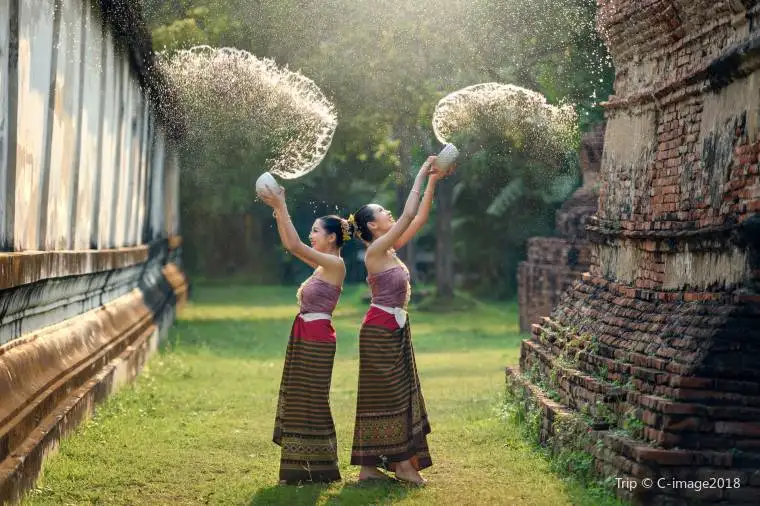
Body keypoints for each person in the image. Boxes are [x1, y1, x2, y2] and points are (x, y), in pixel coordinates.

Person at [348, 155, 451, 485]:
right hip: (380, 331)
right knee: (390, 397)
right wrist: (421, 169)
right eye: (382, 212)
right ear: (373, 227)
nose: (389, 213)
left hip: (392, 330)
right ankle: (404, 467)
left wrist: (434, 179)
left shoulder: (389, 249)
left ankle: (369, 469)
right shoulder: (375, 250)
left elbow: (418, 219)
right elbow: (407, 213)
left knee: (388, 396)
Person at [257, 184, 352, 485]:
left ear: (332, 237)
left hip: (317, 339)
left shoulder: (335, 264)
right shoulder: (321, 266)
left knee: (312, 401)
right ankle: (299, 470)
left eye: (315, 231)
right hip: (305, 336)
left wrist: (282, 203)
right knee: (301, 400)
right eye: (310, 231)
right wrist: (276, 209)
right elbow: (290, 243)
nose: (311, 235)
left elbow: (297, 246)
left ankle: (321, 468)